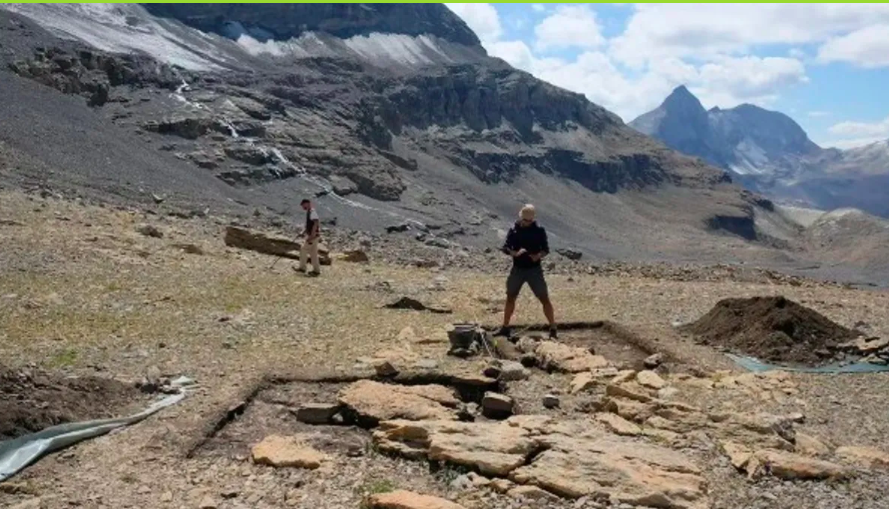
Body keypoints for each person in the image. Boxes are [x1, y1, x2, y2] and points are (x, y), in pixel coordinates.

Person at [495, 204, 557, 339]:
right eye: (524, 220)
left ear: (533, 219)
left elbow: (545, 249)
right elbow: (505, 247)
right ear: (520, 217)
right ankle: (505, 327)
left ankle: (553, 328)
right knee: (510, 297)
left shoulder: (539, 230)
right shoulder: (514, 230)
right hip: (517, 269)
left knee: (544, 298)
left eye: (529, 221)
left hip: (534, 270)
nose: (526, 223)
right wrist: (514, 253)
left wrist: (537, 256)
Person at [296, 198, 321, 276]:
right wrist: (303, 232)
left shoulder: (312, 212)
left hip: (313, 236)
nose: (303, 207)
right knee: (313, 253)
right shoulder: (309, 212)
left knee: (303, 249)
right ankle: (316, 270)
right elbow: (309, 225)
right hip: (315, 236)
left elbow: (316, 223)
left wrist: (311, 236)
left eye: (304, 205)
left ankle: (302, 268)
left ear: (308, 203)